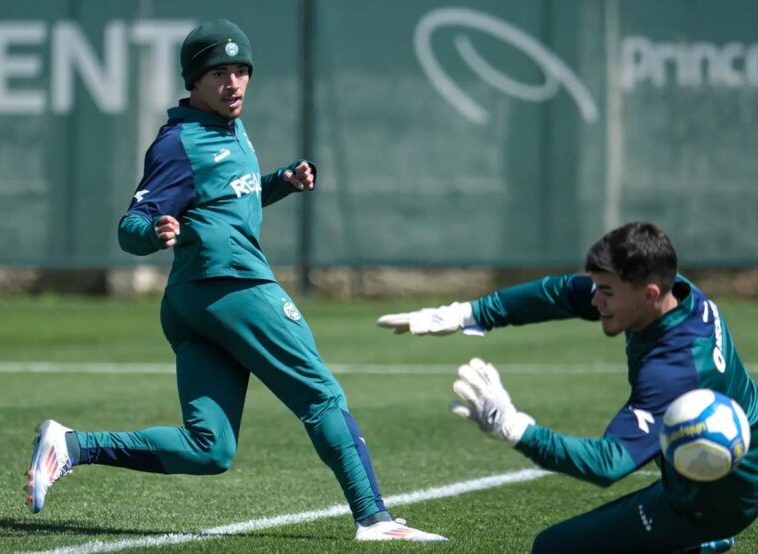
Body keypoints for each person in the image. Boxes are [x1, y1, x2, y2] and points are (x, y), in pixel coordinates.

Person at [24, 19, 446, 543]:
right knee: (322, 398)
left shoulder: (230, 127)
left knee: (210, 450)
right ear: (193, 81)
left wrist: (281, 183)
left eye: (241, 70)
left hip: (195, 302)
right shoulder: (179, 142)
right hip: (232, 287)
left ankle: (72, 446)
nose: (234, 82)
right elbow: (129, 227)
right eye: (219, 72)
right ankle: (376, 519)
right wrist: (155, 231)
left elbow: (228, 197)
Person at [377, 221, 758, 553]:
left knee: (552, 548)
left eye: (605, 291)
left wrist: (511, 426)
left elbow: (607, 463)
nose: (594, 300)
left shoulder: (674, 371)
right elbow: (560, 293)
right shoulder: (682, 293)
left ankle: (703, 539)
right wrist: (466, 314)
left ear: (649, 292)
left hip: (709, 499)